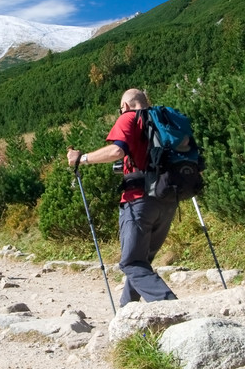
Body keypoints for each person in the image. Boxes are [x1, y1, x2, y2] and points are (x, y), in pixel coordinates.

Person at [66, 88, 179, 307]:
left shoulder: (128, 117)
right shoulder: (164, 119)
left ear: (125, 106)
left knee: (131, 263)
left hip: (139, 201)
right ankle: (127, 311)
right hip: (169, 199)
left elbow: (117, 152)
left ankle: (172, 307)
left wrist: (82, 158)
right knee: (141, 262)